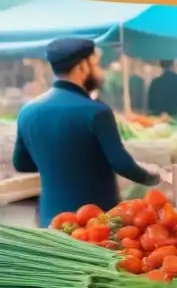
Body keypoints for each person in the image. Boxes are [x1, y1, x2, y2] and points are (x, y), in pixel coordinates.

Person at [13, 38, 160, 228]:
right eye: (96, 65)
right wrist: (155, 177)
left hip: (48, 221)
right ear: (82, 67)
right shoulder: (96, 112)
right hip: (95, 224)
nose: (100, 73)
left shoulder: (27, 112)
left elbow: (21, 164)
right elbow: (122, 165)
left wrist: (56, 164)